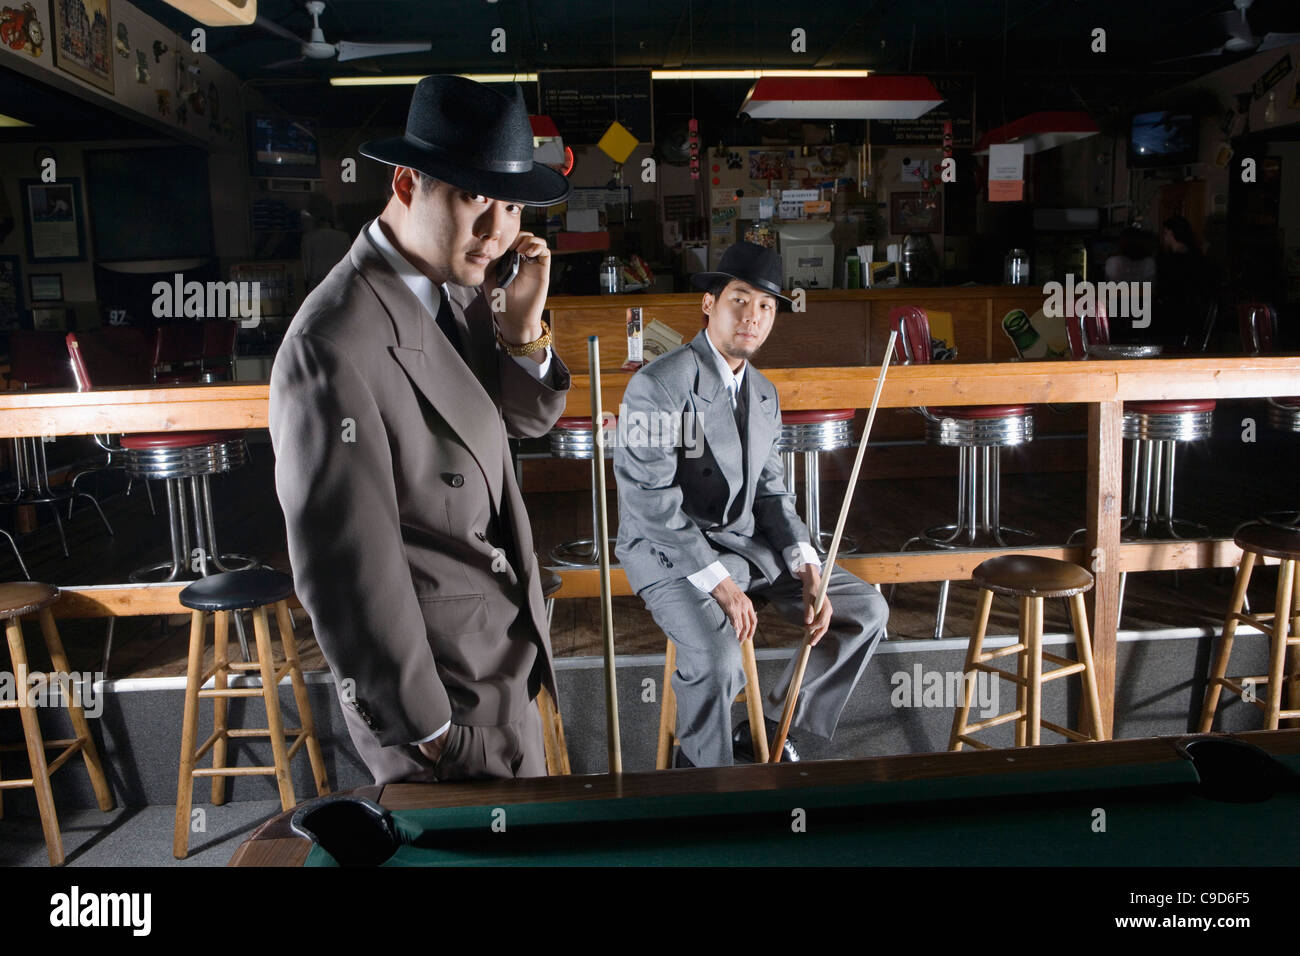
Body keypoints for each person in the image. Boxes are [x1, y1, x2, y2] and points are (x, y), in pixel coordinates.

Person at [269, 76, 571, 785]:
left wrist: (524, 332)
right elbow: (347, 579)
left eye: (511, 204)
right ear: (406, 184)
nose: (498, 233)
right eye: (475, 198)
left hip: (502, 667)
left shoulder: (458, 291)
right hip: (442, 706)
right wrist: (431, 735)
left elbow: (523, 424)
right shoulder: (332, 342)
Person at [613, 241, 890, 768]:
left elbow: (771, 492)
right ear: (709, 303)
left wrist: (806, 563)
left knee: (863, 611)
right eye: (741, 299)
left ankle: (769, 724)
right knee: (719, 659)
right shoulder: (656, 385)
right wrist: (718, 583)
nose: (754, 316)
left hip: (745, 549)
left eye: (767, 306)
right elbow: (649, 500)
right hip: (669, 553)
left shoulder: (764, 391)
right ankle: (701, 771)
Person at [300, 215, 353, 291]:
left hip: (316, 282)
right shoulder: (344, 237)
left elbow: (306, 265)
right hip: (340, 280)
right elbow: (349, 261)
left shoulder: (307, 238)